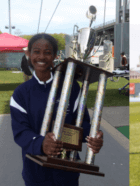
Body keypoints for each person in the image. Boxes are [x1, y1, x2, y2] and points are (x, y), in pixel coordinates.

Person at [10, 33, 104, 186]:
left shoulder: (71, 88)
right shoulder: (21, 94)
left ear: (54, 56)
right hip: (35, 172)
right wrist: (41, 144)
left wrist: (93, 137)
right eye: (36, 51)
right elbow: (21, 132)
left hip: (67, 173)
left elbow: (82, 124)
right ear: (29, 54)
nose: (41, 56)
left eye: (47, 52)